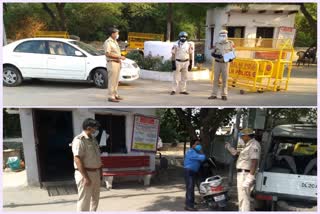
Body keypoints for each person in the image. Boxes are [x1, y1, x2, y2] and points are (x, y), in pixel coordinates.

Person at [225, 128, 261, 211]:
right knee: (242, 198)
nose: (241, 137)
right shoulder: (246, 144)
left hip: (246, 174)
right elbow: (237, 153)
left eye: (242, 136)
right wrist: (229, 147)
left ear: (247, 136)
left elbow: (254, 162)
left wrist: (250, 177)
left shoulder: (254, 145)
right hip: (242, 174)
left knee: (244, 199)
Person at [72, 118, 103, 212]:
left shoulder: (93, 139)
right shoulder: (79, 140)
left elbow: (97, 157)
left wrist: (100, 172)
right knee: (84, 201)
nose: (96, 130)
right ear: (89, 128)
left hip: (96, 173)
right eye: (95, 128)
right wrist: (86, 177)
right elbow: (77, 159)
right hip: (85, 174)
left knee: (95, 199)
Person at [209, 30, 235, 101]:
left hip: (225, 63)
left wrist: (230, 58)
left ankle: (224, 95)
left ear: (226, 36)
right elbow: (212, 53)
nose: (223, 37)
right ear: (219, 36)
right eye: (221, 35)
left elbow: (233, 54)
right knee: (215, 79)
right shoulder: (217, 43)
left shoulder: (230, 43)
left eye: (224, 35)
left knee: (225, 79)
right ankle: (214, 94)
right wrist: (216, 55)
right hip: (217, 63)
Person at [103, 27, 126, 103]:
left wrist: (119, 60)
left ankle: (115, 94)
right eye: (116, 33)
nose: (117, 34)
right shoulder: (108, 42)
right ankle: (111, 96)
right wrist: (119, 57)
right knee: (112, 81)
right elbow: (108, 53)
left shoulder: (115, 41)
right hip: (112, 63)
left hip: (117, 62)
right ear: (112, 34)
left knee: (116, 81)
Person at [184, 140, 206, 211]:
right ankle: (189, 206)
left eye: (199, 144)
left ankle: (190, 202)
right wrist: (201, 150)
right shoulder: (191, 152)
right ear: (193, 145)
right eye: (197, 144)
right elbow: (203, 157)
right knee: (190, 188)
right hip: (189, 171)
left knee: (191, 187)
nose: (199, 145)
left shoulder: (195, 152)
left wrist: (200, 151)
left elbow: (202, 159)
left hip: (193, 171)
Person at [171, 31, 194, 95]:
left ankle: (183, 90)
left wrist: (191, 63)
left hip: (186, 62)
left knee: (184, 77)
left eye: (184, 37)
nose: (183, 38)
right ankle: (173, 90)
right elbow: (173, 54)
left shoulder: (189, 45)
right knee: (175, 77)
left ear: (186, 37)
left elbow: (191, 54)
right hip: (178, 62)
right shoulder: (175, 44)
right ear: (179, 37)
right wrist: (173, 63)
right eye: (182, 37)